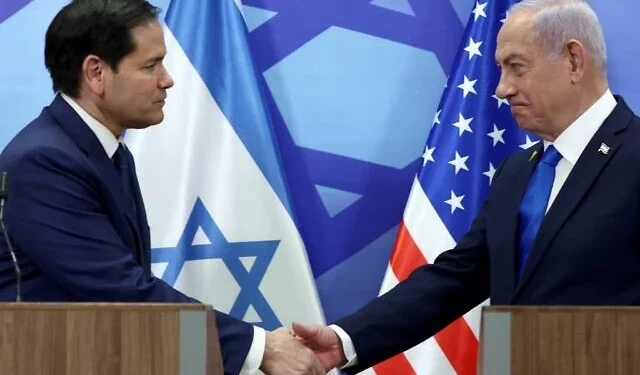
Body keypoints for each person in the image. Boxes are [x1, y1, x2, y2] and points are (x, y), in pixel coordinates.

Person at [292, 0, 640, 372]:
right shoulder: (517, 172)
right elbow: (457, 277)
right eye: (500, 70)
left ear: (573, 60)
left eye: (516, 67)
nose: (503, 89)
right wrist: (345, 341)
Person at [0, 1, 323, 374]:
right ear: (95, 73)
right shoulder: (45, 162)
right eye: (150, 65)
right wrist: (258, 347)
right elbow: (118, 291)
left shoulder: (104, 151)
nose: (167, 79)